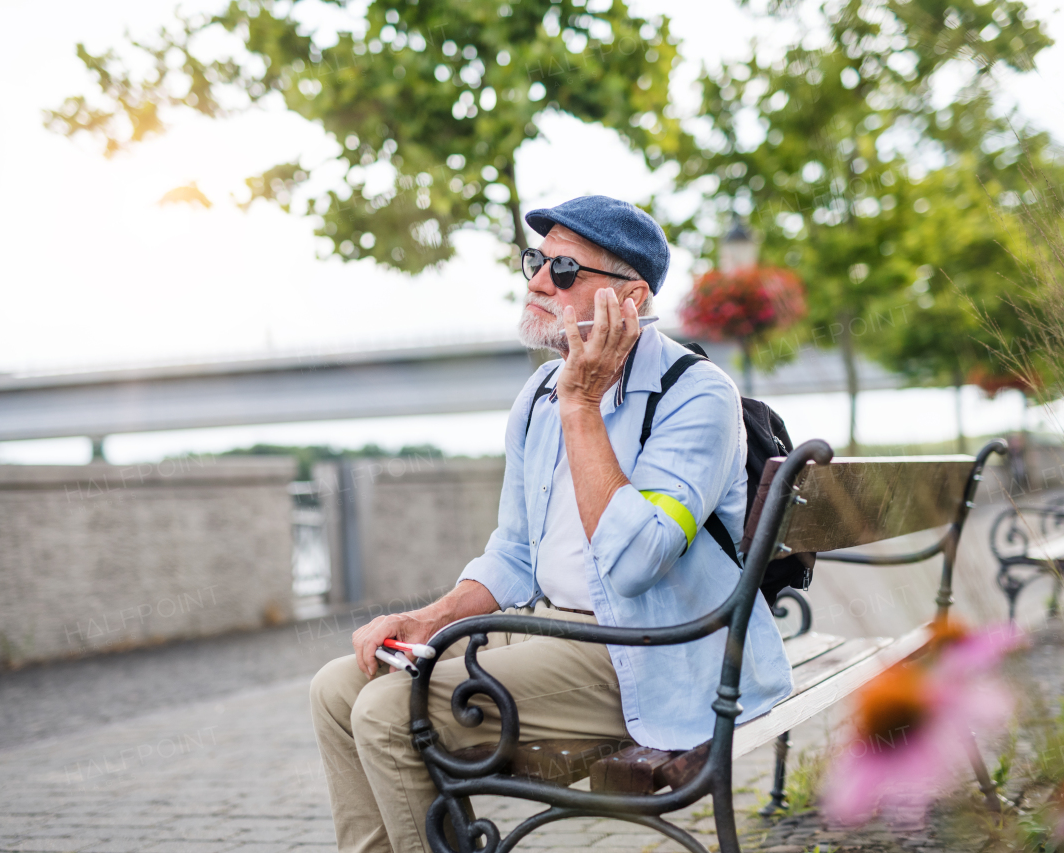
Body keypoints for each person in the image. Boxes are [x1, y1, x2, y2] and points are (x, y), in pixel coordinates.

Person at [309, 196, 793, 853]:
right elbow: (512, 551)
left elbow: (633, 565)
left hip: (658, 648)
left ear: (632, 297)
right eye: (537, 260)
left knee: (391, 710)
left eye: (564, 269)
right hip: (549, 627)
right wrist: (432, 618)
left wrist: (584, 402)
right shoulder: (538, 396)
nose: (537, 280)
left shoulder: (697, 396)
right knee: (338, 687)